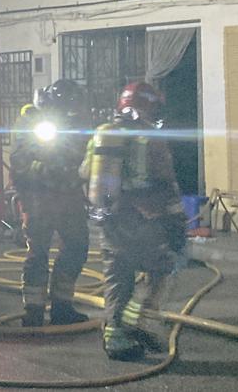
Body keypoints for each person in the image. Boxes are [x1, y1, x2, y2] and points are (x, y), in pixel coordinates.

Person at [84, 81, 186, 361]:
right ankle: (138, 321)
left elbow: (85, 174)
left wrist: (102, 206)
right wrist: (177, 221)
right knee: (165, 267)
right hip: (142, 218)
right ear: (149, 105)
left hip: (109, 218)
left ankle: (116, 337)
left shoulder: (104, 134)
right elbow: (165, 182)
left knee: (117, 276)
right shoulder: (149, 136)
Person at [9, 79, 92, 327]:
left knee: (77, 246)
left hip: (69, 197)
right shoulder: (32, 123)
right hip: (39, 198)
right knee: (38, 252)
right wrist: (49, 172)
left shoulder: (77, 123)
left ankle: (62, 305)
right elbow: (20, 163)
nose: (71, 112)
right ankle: (33, 309)